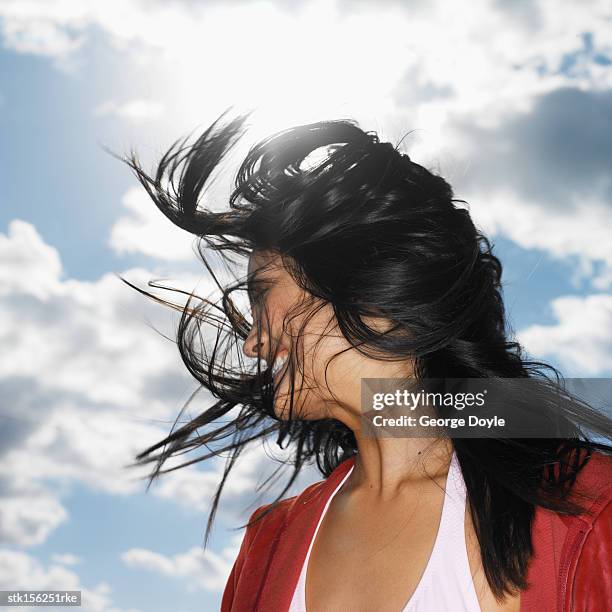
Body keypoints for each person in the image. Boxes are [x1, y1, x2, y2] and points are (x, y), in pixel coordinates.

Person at [122, 110, 612, 611]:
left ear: (372, 295)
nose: (254, 343)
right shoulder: (268, 544)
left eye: (262, 293)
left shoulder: (593, 511)